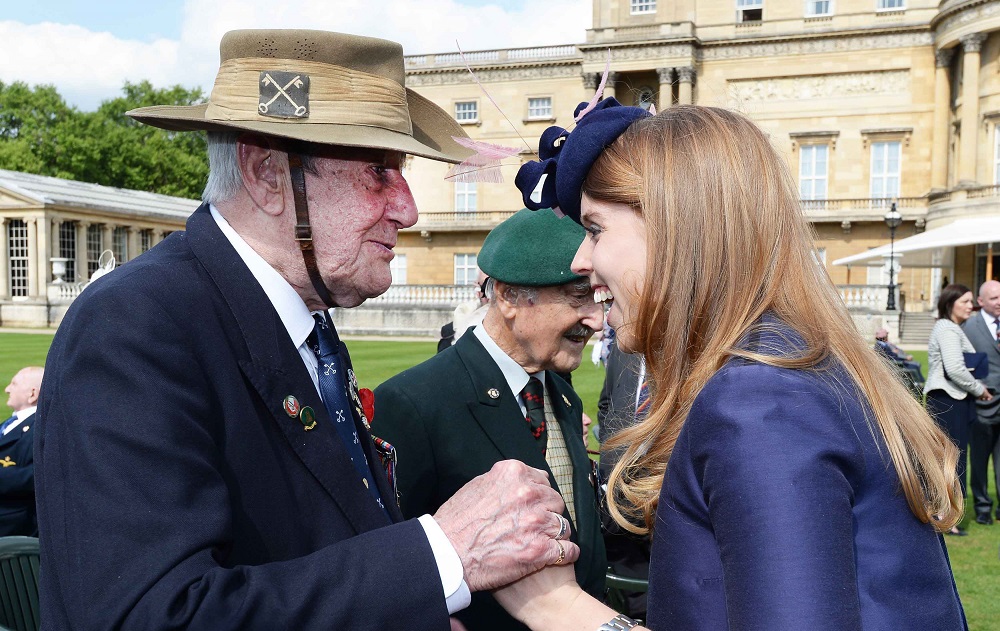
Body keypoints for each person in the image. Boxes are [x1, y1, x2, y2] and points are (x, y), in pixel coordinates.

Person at [35, 29, 578, 630]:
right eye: (379, 173)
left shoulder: (302, 325)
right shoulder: (135, 329)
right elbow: (150, 617)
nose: (407, 208)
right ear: (268, 174)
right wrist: (443, 553)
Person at [493, 101, 967, 630]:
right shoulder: (789, 367)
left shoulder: (759, 399)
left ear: (677, 227)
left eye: (596, 229)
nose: (581, 261)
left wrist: (560, 608)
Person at [374, 208, 606, 631]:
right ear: (508, 298)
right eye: (578, 297)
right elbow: (390, 563)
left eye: (598, 298)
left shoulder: (560, 390)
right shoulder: (413, 402)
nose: (596, 319)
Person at [925, 283, 994, 535]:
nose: (970, 306)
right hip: (949, 400)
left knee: (950, 459)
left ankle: (946, 515)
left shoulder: (951, 328)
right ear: (950, 303)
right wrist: (980, 389)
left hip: (953, 399)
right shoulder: (947, 329)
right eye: (965, 301)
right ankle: (946, 517)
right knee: (951, 460)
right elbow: (954, 369)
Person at [596, 342, 650, 620]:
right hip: (615, 495)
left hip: (662, 499)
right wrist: (610, 451)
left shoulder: (689, 340)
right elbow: (607, 404)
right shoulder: (624, 347)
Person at [961, 280, 1000, 525]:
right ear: (981, 301)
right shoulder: (968, 327)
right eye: (995, 298)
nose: (999, 302)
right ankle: (983, 507)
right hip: (982, 404)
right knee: (979, 459)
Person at [0, 366, 43, 536]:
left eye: (14, 384)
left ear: (32, 394)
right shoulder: (13, 423)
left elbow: (37, 475)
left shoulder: (39, 428)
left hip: (11, 526)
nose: (7, 388)